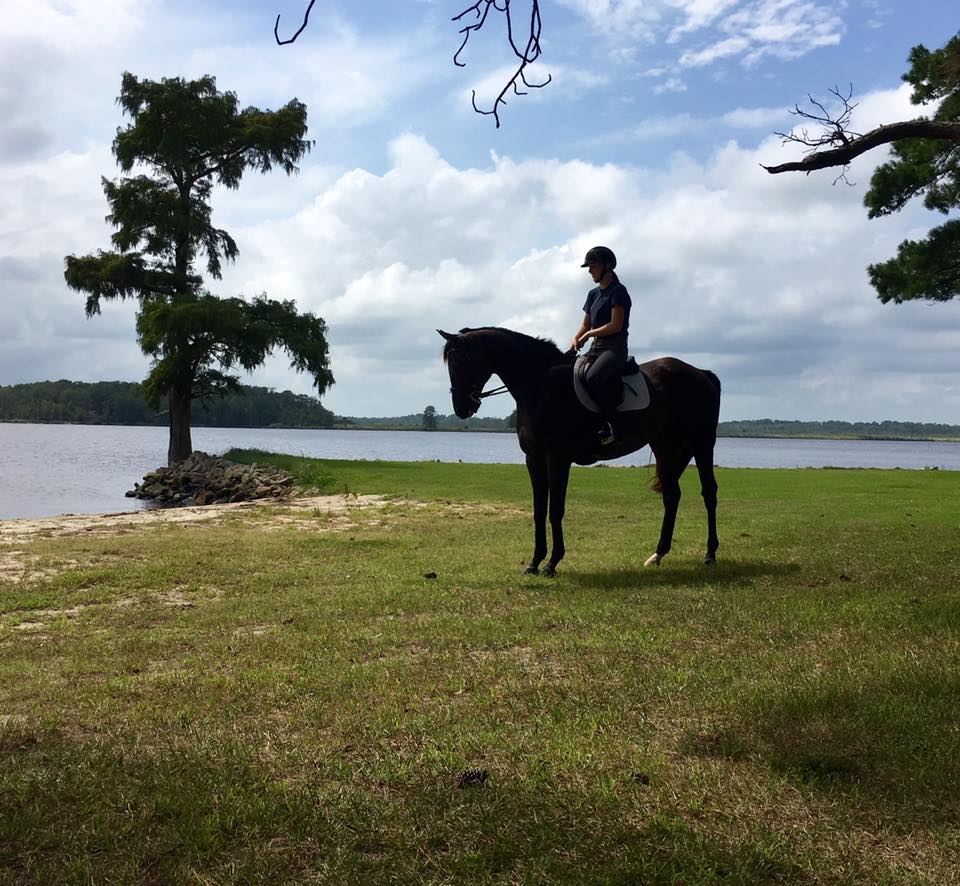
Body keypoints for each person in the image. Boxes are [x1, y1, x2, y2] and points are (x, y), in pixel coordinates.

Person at [569, 245, 632, 444]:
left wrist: (588, 334)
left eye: (593, 266)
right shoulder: (592, 294)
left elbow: (615, 325)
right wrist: (575, 339)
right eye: (589, 267)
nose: (589, 271)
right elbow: (585, 324)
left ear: (608, 266)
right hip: (595, 348)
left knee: (594, 377)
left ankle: (611, 424)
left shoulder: (619, 291)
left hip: (614, 349)